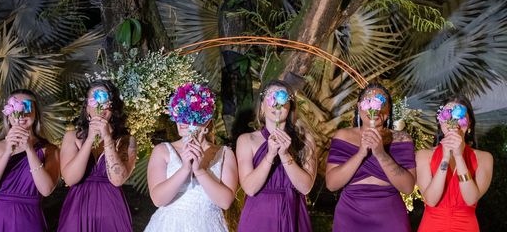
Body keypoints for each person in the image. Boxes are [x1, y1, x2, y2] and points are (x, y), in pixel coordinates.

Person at [144, 83, 238, 232]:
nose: (182, 122)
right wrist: (185, 169)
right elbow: (158, 199)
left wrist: (200, 171)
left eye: (189, 114)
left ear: (206, 120)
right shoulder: (162, 151)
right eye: (179, 114)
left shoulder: (225, 153)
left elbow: (225, 202)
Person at [325, 83, 416, 232]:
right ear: (359, 107)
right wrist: (361, 153)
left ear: (387, 112)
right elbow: (331, 184)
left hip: (389, 217)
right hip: (350, 216)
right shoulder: (343, 136)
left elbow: (407, 187)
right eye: (368, 102)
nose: (374, 108)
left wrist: (381, 154)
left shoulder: (401, 139)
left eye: (380, 102)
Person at [236, 80, 316, 232]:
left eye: (281, 98)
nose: (276, 104)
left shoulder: (305, 139)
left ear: (290, 106)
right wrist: (270, 155)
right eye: (271, 97)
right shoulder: (247, 140)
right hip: (259, 217)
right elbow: (250, 188)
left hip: (294, 214)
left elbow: (305, 187)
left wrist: (285, 155)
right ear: (262, 107)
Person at [58, 80, 137, 231]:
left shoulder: (126, 140)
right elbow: (70, 178)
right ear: (87, 108)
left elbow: (118, 180)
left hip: (112, 213)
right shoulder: (72, 137)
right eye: (95, 101)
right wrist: (89, 140)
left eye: (106, 101)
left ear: (113, 107)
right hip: (77, 211)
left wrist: (107, 138)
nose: (100, 107)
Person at [0, 89, 60, 231]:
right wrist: (7, 152)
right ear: (8, 114)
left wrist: (29, 149)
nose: (21, 113)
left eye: (27, 106)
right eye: (15, 107)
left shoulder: (50, 150)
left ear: (36, 113)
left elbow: (46, 189)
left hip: (29, 219)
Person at [416, 95, 493, 232]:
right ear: (440, 122)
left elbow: (470, 199)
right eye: (447, 116)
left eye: (460, 116)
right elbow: (431, 200)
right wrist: (445, 157)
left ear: (469, 124)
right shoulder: (424, 155)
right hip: (432, 225)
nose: (453, 121)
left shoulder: (484, 158)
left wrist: (459, 156)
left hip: (466, 226)